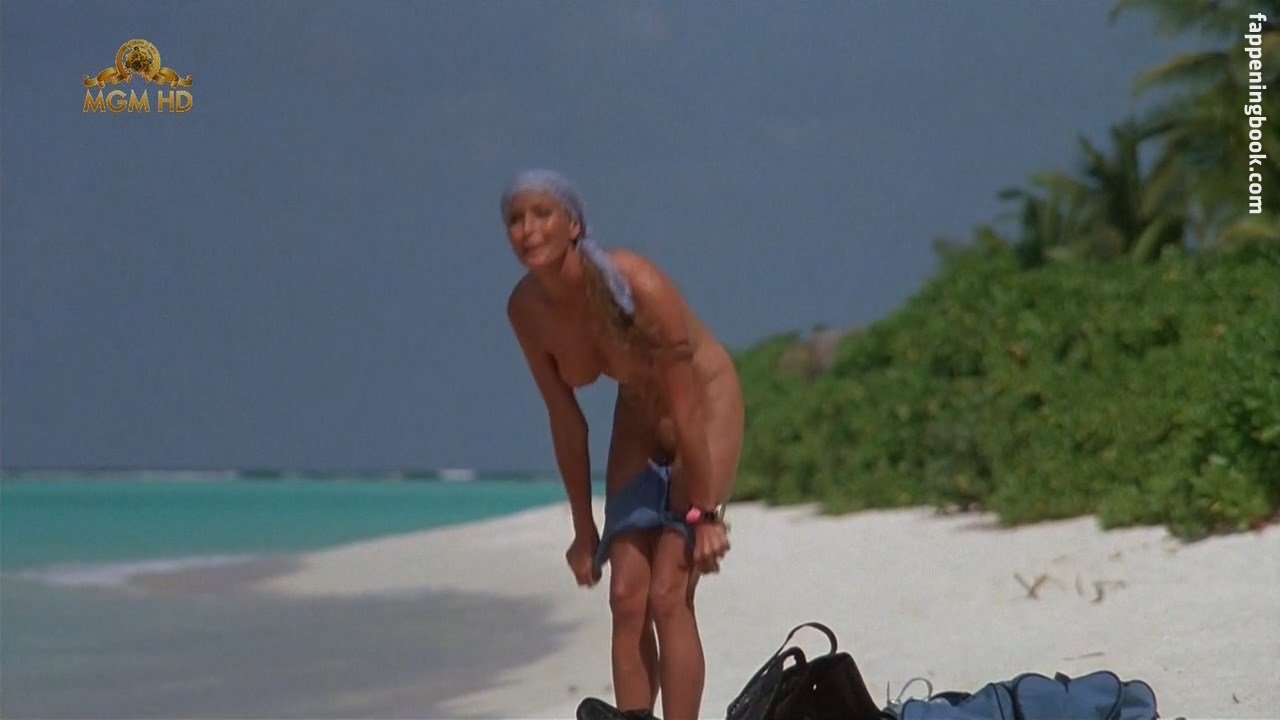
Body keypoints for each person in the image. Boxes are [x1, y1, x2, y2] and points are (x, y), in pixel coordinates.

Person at [502, 170, 744, 720]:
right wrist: (583, 528)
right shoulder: (526, 311)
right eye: (515, 219)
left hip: (702, 409)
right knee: (626, 596)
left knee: (668, 593)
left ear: (574, 225)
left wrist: (705, 512)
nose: (527, 228)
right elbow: (566, 420)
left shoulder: (635, 285)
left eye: (542, 214)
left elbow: (685, 406)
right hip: (637, 416)